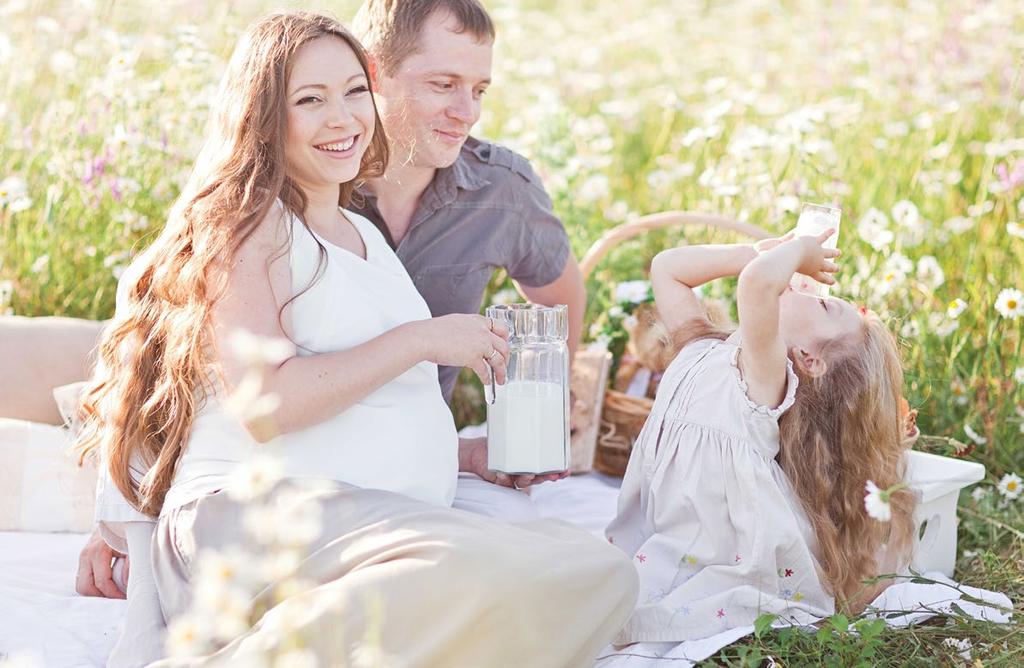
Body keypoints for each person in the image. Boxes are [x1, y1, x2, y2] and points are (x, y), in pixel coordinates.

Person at [75, 12, 636, 666]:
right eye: (310, 100)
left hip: (361, 524)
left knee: (596, 568)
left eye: (351, 93)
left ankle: (332, 632)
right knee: (472, 570)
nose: (342, 117)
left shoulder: (358, 232)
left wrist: (460, 453)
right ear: (262, 117)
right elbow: (266, 406)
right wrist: (423, 338)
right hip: (256, 521)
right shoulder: (248, 230)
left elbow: (364, 411)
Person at [604, 230, 916, 644]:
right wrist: (753, 252)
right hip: (673, 530)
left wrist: (801, 251)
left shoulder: (765, 377)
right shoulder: (703, 348)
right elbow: (667, 268)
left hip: (716, 552)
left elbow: (757, 286)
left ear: (809, 359)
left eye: (822, 303)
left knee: (629, 607)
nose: (805, 285)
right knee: (608, 591)